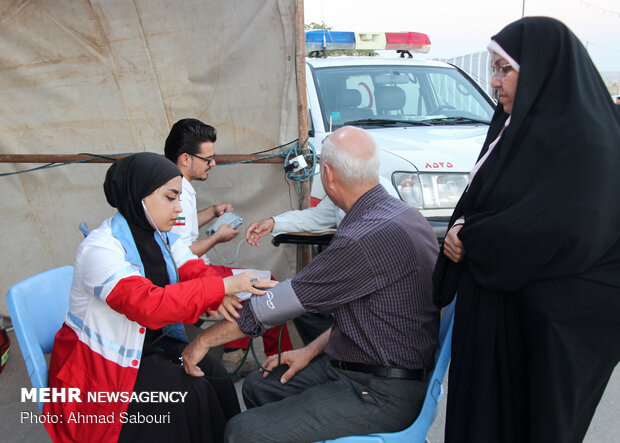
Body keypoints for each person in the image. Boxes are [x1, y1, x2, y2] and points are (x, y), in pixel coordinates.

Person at [182, 126, 440, 442]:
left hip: (379, 390)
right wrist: (309, 350)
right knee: (259, 385)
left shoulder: (363, 237)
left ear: (328, 175)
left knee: (240, 432)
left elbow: (273, 306)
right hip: (367, 366)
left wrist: (204, 340)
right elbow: (371, 317)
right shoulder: (403, 216)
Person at [433, 17, 620, 443]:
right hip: (499, 313)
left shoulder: (586, 140)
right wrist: (462, 226)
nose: (495, 83)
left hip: (544, 329)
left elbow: (567, 226)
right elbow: (487, 200)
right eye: (492, 69)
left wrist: (472, 237)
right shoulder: (518, 127)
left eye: (505, 69)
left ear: (540, 69)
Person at [44, 153, 276, 443]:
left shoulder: (161, 238)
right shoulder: (100, 250)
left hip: (146, 347)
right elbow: (148, 305)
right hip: (103, 368)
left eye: (179, 198)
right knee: (188, 392)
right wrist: (223, 286)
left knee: (214, 375)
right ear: (140, 195)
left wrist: (218, 291)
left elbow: (192, 269)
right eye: (171, 198)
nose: (179, 209)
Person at [164, 118, 292, 374]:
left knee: (248, 288)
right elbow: (176, 254)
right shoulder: (176, 191)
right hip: (189, 276)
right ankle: (279, 360)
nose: (213, 163)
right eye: (207, 158)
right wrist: (216, 238)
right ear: (186, 159)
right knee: (270, 289)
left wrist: (213, 212)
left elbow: (181, 226)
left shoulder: (174, 185)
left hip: (193, 270)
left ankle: (234, 353)